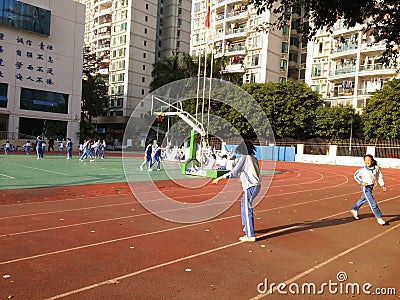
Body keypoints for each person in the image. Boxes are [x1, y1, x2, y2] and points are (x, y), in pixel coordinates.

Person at [212, 140, 261, 242]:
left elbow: (234, 172)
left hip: (251, 186)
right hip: (256, 185)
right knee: (243, 204)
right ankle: (246, 226)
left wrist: (219, 178)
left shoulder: (245, 158)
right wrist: (242, 178)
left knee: (247, 208)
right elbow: (249, 171)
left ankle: (250, 234)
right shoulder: (253, 158)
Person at [351, 154, 387, 225]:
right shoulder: (363, 169)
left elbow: (379, 176)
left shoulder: (376, 168)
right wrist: (361, 182)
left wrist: (382, 185)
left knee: (364, 198)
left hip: (371, 186)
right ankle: (378, 217)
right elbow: (355, 175)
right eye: (365, 160)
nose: (367, 162)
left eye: (369, 160)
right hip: (365, 188)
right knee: (372, 202)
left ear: (372, 161)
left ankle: (355, 209)